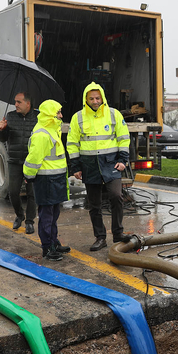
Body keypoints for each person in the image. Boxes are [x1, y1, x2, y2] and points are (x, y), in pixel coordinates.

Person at [67, 82, 131, 251]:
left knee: (116, 196)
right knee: (94, 204)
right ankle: (100, 237)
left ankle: (118, 233)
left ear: (102, 98)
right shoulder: (78, 117)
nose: (95, 101)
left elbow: (123, 137)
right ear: (85, 99)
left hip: (111, 163)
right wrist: (76, 166)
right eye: (91, 98)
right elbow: (72, 143)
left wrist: (123, 160)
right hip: (90, 165)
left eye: (98, 98)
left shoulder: (113, 114)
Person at [23, 99, 69, 261]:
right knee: (47, 216)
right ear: (49, 115)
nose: (61, 115)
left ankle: (53, 242)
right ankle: (47, 248)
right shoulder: (42, 134)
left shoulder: (50, 130)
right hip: (46, 180)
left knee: (53, 214)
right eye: (58, 112)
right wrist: (28, 175)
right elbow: (34, 158)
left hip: (54, 179)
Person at [0, 92, 38, 235]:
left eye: (19, 102)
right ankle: (19, 215)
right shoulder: (10, 116)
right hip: (14, 160)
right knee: (13, 192)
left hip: (31, 161)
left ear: (28, 103)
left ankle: (30, 222)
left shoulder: (38, 117)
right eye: (15, 102)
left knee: (32, 193)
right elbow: (3, 138)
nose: (16, 105)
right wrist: (0, 129)